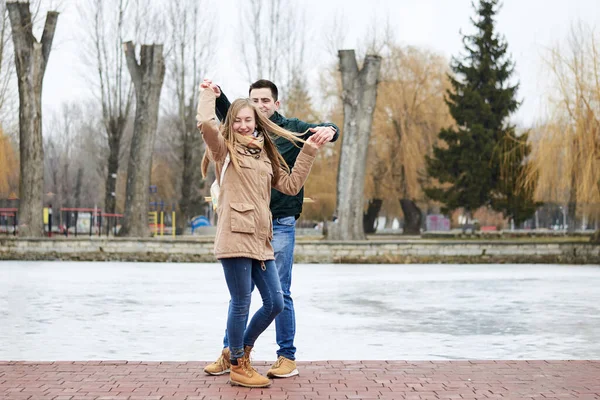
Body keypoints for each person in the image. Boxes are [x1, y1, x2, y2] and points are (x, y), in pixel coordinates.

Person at [203, 79, 339, 379]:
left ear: (274, 105)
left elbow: (291, 183)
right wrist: (211, 95)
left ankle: (262, 352)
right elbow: (214, 123)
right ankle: (236, 359)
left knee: (277, 298)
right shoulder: (227, 148)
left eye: (265, 103)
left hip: (269, 232)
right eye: (240, 118)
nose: (245, 123)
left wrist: (316, 145)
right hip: (238, 233)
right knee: (241, 299)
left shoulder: (275, 142)